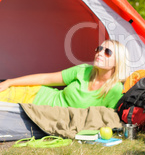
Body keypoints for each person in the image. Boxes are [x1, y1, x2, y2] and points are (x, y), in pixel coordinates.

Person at [0, 39, 128, 109]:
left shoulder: (114, 90)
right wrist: (9, 82)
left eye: (107, 52)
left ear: (117, 61)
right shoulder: (83, 70)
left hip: (44, 113)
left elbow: (108, 118)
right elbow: (45, 79)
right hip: (36, 95)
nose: (99, 53)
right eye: (99, 49)